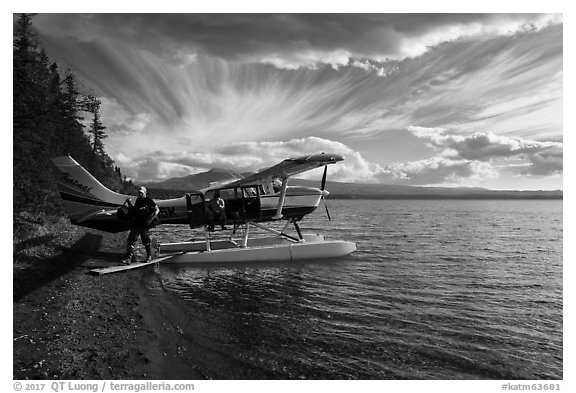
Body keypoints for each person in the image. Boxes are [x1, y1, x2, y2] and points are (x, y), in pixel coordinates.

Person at [122, 186, 159, 264]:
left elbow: (157, 209)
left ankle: (149, 257)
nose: (140, 194)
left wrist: (150, 219)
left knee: (146, 242)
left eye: (141, 193)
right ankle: (128, 258)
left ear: (145, 192)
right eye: (139, 193)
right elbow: (134, 210)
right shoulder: (138, 200)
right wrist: (129, 203)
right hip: (136, 224)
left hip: (144, 225)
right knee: (131, 241)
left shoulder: (148, 200)